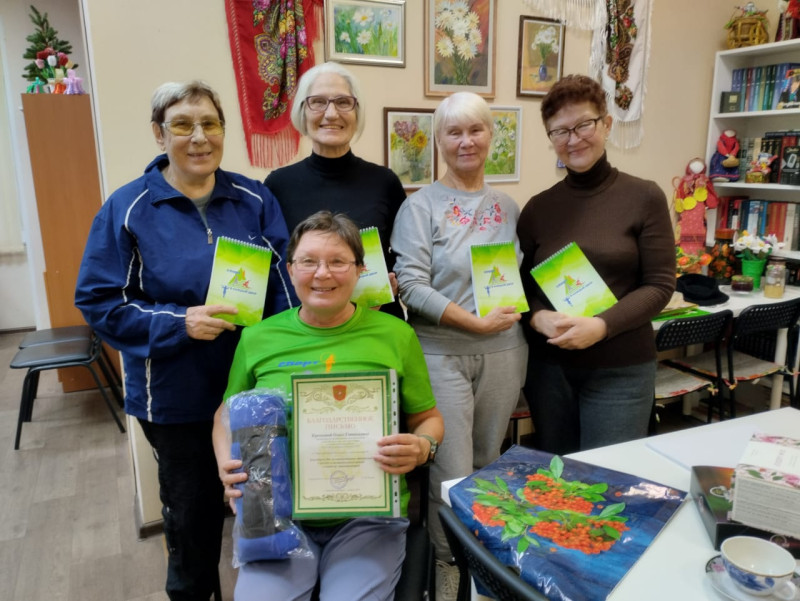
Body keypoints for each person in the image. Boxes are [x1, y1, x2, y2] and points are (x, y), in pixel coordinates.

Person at [75, 80, 296, 601]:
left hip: (252, 393)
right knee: (192, 521)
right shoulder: (127, 208)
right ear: (159, 134)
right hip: (175, 400)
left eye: (210, 124)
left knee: (262, 505)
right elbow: (100, 302)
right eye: (182, 125)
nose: (199, 137)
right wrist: (180, 322)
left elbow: (284, 288)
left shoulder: (254, 199)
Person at [213, 211, 444, 601]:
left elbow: (428, 418)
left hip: (368, 520)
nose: (323, 273)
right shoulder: (258, 338)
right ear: (290, 270)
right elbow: (225, 414)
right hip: (276, 517)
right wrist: (226, 466)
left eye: (338, 261)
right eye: (309, 261)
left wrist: (423, 447)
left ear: (359, 270)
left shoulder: (396, 335)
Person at [390, 92, 528, 601]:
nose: (466, 141)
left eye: (476, 130)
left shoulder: (507, 207)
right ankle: (448, 569)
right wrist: (472, 322)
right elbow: (410, 285)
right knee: (450, 470)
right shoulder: (419, 206)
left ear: (492, 136)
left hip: (505, 351)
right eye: (454, 132)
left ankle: (485, 567)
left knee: (489, 460)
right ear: (439, 141)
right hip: (440, 351)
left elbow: (516, 277)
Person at [517, 74, 675, 456]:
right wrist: (536, 318)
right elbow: (518, 288)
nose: (573, 139)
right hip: (550, 372)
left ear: (606, 124)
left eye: (583, 125)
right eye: (560, 131)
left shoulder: (644, 196)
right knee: (558, 477)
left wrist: (601, 326)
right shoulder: (538, 209)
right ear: (551, 138)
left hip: (621, 371)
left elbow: (660, 285)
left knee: (607, 477)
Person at [264, 62, 407, 318]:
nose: (331, 114)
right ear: (302, 111)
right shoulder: (277, 185)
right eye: (318, 102)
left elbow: (405, 258)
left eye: (343, 102)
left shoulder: (385, 182)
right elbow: (271, 268)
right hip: (305, 328)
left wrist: (394, 282)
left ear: (357, 112)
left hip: (376, 321)